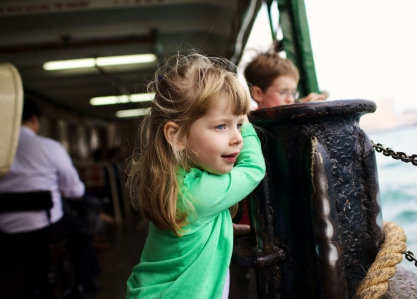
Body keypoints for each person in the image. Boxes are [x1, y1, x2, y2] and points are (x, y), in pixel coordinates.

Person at [125, 52, 266, 299]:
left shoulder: (176, 182)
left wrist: (221, 227)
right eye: (221, 126)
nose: (237, 138)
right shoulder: (199, 196)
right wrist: (248, 120)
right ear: (177, 136)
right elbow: (254, 168)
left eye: (239, 126)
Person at [0, 99, 86, 298]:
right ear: (34, 120)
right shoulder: (50, 147)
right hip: (45, 229)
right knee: (82, 233)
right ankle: (82, 284)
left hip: (5, 232)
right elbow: (75, 190)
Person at [244, 50, 327, 109]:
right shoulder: (248, 123)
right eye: (283, 92)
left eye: (293, 93)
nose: (290, 99)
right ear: (258, 93)